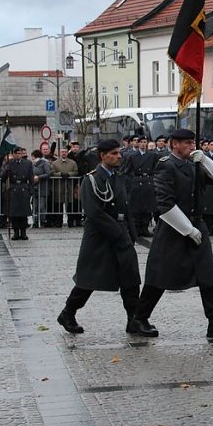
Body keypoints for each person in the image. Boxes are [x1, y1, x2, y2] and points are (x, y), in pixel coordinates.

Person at [128, 128, 213, 339]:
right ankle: (139, 318)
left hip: (198, 224)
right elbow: (165, 204)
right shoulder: (166, 166)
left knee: (208, 275)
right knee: (159, 276)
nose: (191, 146)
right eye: (186, 143)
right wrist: (187, 229)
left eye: (192, 142)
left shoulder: (194, 163)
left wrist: (204, 159)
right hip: (173, 229)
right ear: (174, 144)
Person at [56, 139, 141, 334]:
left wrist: (131, 233)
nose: (119, 156)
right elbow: (94, 213)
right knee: (89, 280)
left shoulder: (118, 177)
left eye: (119, 153)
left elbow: (125, 206)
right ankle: (68, 313)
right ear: (103, 156)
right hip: (100, 237)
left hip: (121, 235)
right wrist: (118, 233)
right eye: (114, 153)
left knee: (131, 279)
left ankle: (133, 319)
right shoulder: (91, 179)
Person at [1, 147, 33, 240]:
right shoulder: (9, 163)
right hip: (13, 188)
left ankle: (23, 232)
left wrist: (31, 190)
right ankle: (16, 232)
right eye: (17, 153)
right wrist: (6, 171)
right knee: (14, 214)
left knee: (23, 213)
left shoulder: (27, 163)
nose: (19, 155)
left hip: (23, 188)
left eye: (20, 153)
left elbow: (31, 178)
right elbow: (3, 178)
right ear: (13, 154)